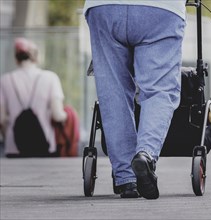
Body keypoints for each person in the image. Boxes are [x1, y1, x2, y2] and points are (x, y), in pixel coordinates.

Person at [84, 0, 186, 199]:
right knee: (159, 90)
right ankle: (145, 154)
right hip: (161, 10)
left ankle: (126, 178)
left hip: (104, 7)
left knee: (113, 92)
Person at [0, 38, 67, 157]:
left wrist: (8, 138)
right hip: (44, 144)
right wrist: (68, 114)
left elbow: (1, 119)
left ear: (16, 58)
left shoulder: (4, 81)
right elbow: (57, 115)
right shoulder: (50, 78)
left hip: (13, 147)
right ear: (36, 57)